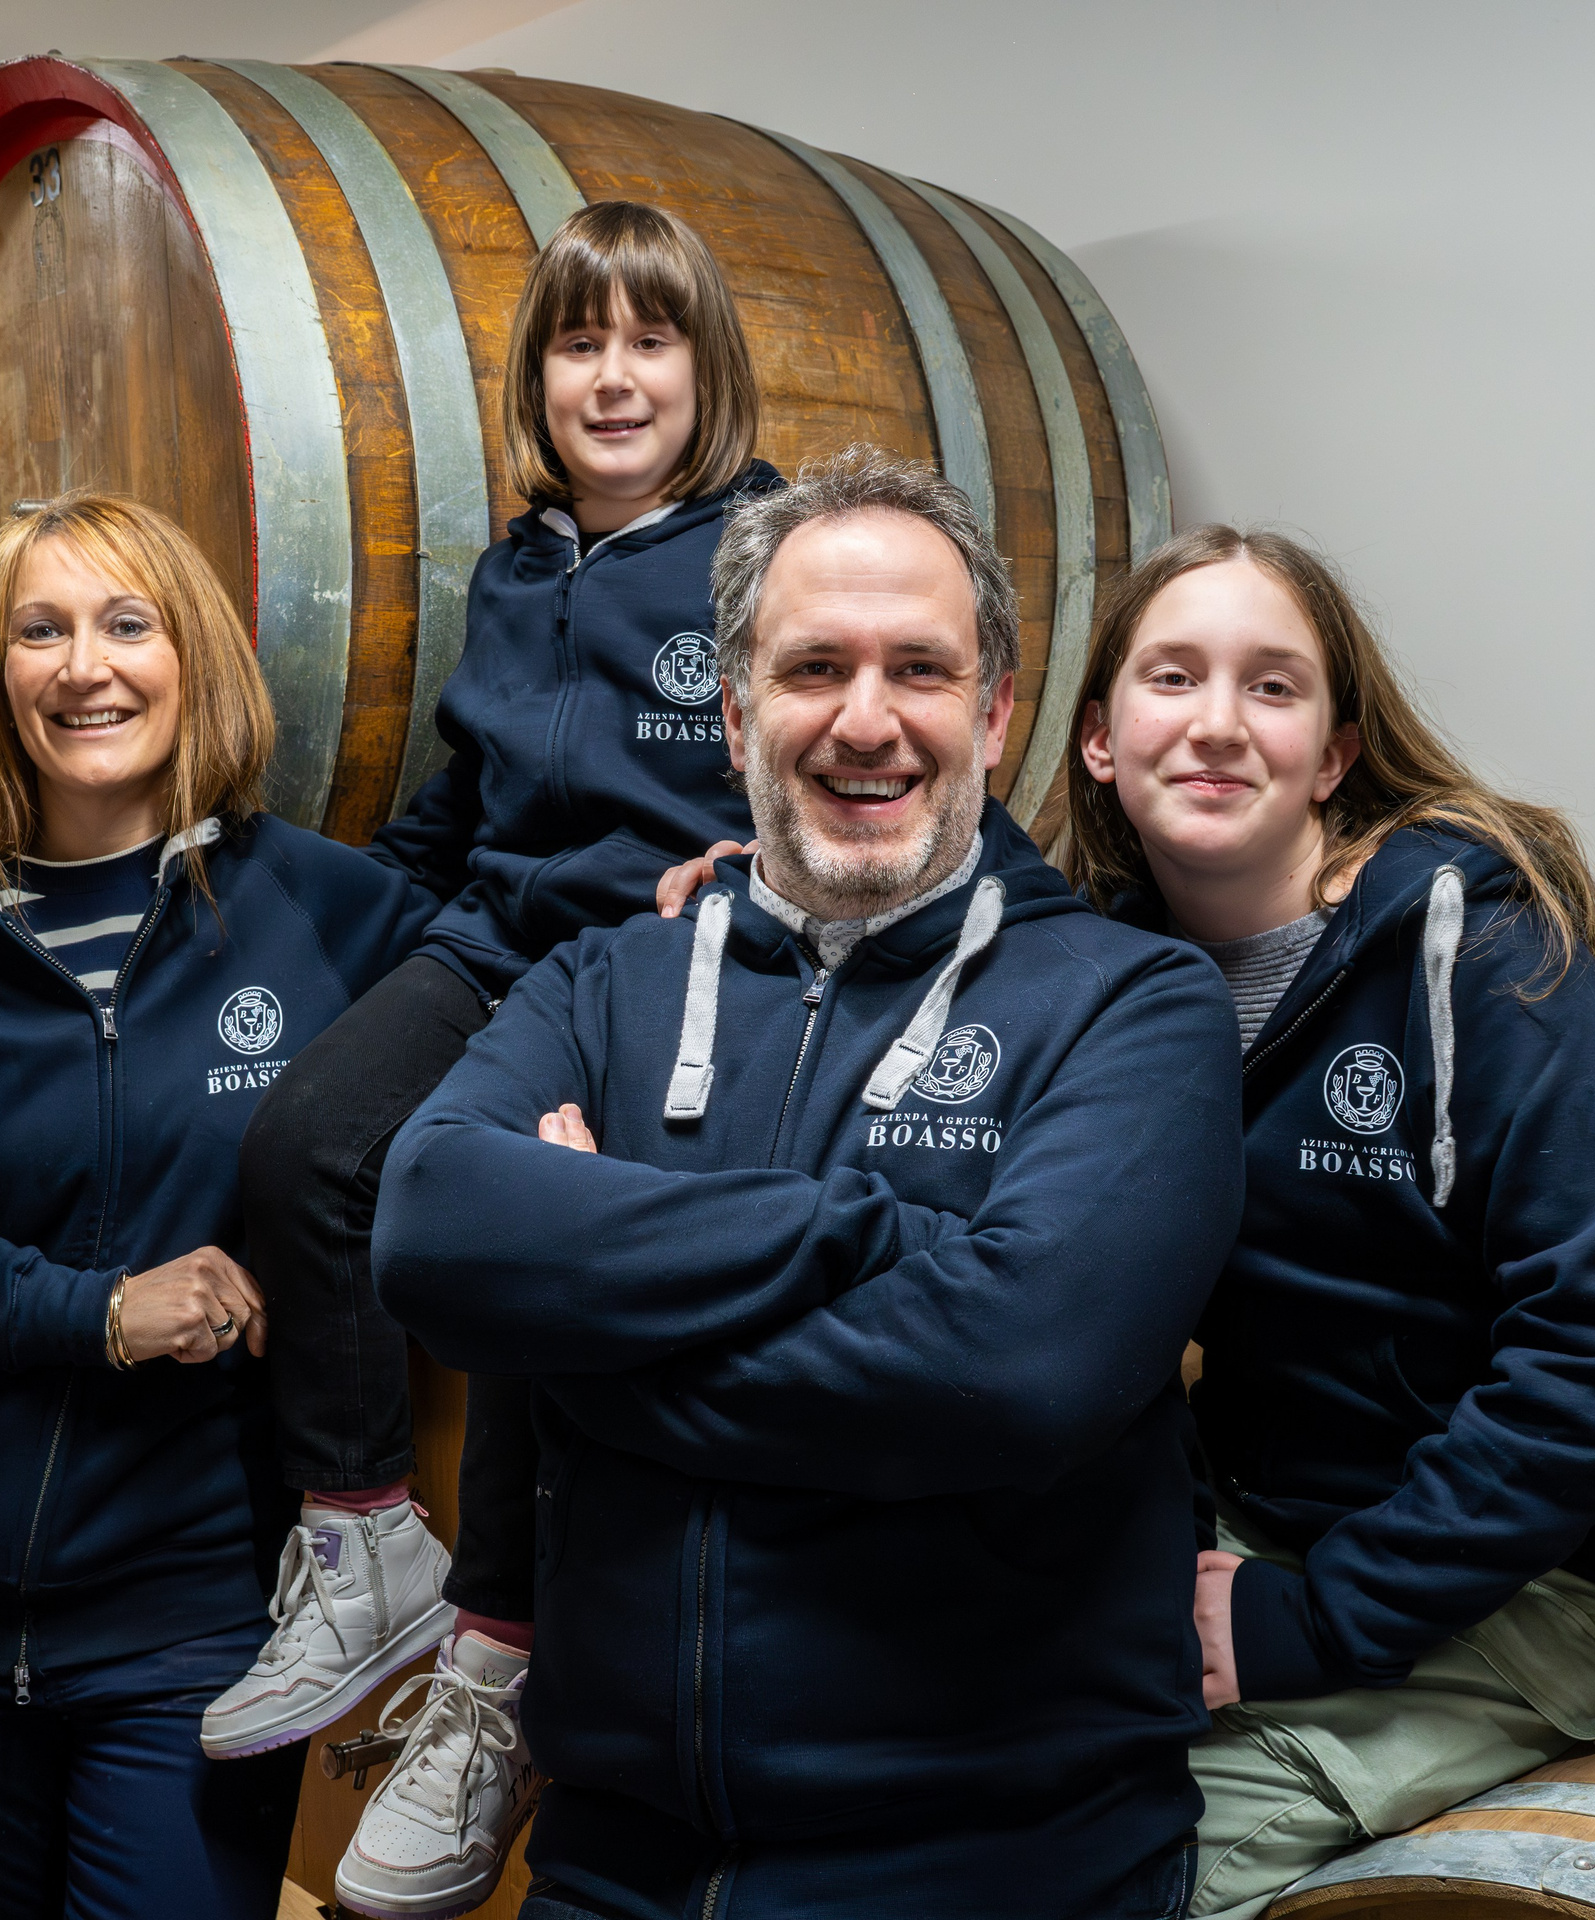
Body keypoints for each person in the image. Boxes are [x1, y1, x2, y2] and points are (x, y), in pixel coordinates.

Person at [370, 448, 1245, 1919]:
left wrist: (587, 1325)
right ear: (732, 712)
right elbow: (429, 1225)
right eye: (812, 667)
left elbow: (1022, 1364)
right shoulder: (603, 978)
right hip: (615, 1865)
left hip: (1000, 1871)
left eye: (919, 668)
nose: (865, 719)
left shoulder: (1131, 1003)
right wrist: (874, 1244)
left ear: (996, 711)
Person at [0, 493, 437, 1919]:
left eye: (129, 623)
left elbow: (504, 1018)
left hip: (191, 1616)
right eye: (38, 632)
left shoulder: (334, 918)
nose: (84, 666)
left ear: (201, 656)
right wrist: (99, 1315)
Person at [1056, 526, 1595, 1918]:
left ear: (1332, 755)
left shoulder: (1481, 955)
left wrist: (1314, 1624)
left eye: (1272, 687)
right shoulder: (1111, 969)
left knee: (1133, 1871)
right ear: (1097, 738)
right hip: (1296, 1521)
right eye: (1172, 676)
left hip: (1569, 1580)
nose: (1213, 724)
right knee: (956, 1764)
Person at [208, 201, 779, 1917]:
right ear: (534, 379)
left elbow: (837, 742)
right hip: (495, 940)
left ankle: (501, 1657)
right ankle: (366, 1527)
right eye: (577, 344)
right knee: (301, 1143)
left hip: (658, 957)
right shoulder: (519, 568)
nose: (612, 377)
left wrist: (768, 864)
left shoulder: (767, 549)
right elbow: (462, 809)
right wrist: (299, 924)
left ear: (705, 369)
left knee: (529, 1223)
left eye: (648, 339)